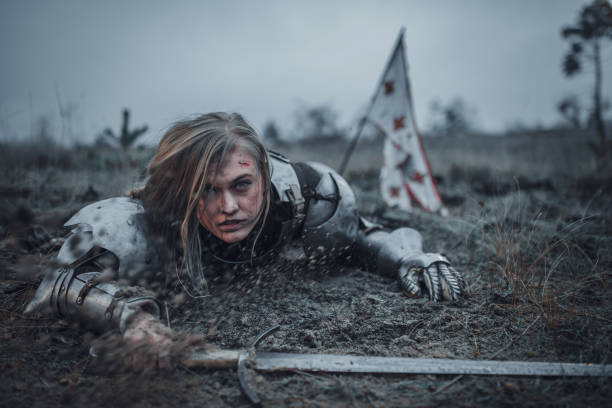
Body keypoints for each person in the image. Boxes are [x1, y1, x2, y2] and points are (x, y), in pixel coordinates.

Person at [25, 112, 467, 366]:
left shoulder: (313, 197)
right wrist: (132, 319)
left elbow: (363, 236)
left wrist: (414, 257)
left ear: (264, 175)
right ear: (183, 192)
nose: (228, 207)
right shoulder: (142, 222)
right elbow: (59, 284)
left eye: (241, 185)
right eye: (207, 190)